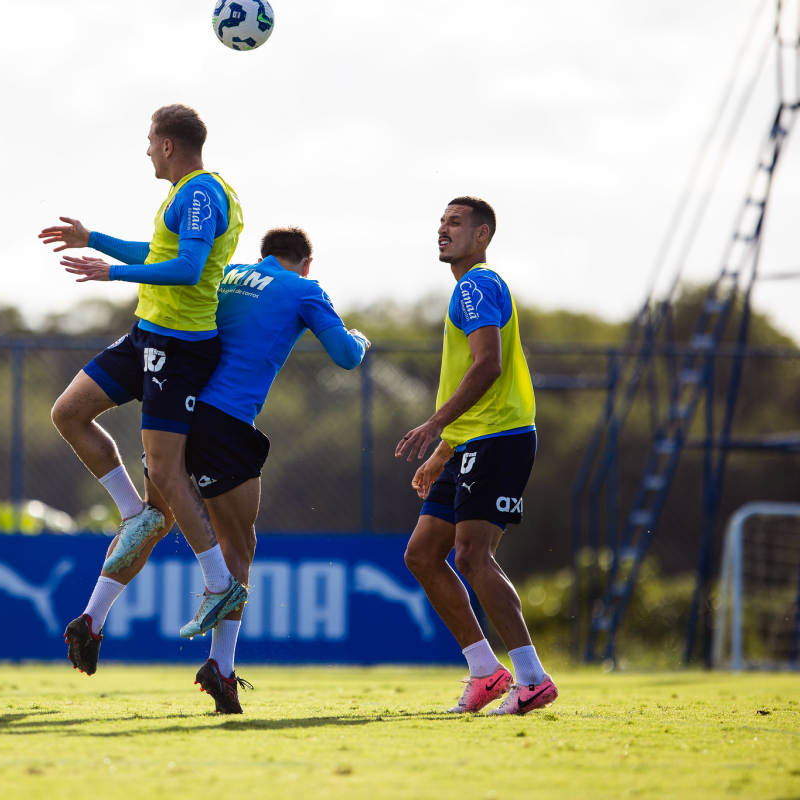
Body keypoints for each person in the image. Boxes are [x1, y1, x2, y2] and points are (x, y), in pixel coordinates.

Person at [65, 227, 370, 714]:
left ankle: (92, 617)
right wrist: (358, 337)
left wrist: (97, 241)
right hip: (225, 424)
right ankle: (221, 668)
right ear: (306, 264)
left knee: (154, 519)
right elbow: (345, 357)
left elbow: (157, 256)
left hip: (175, 416)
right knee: (239, 545)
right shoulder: (304, 289)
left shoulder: (226, 273)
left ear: (261, 256)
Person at [38, 104, 248, 670]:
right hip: (147, 336)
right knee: (69, 412)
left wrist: (112, 274)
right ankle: (136, 515)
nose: (147, 150)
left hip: (180, 348)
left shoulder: (202, 194)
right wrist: (95, 240)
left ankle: (217, 581)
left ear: (169, 144)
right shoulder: (183, 193)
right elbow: (159, 255)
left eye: (150, 141)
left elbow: (186, 267)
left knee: (166, 472)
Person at [395, 196, 557, 716]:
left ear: (483, 235)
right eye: (441, 222)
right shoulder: (468, 290)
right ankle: (487, 672)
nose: (443, 230)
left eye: (456, 223)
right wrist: (444, 450)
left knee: (471, 555)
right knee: (422, 554)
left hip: (501, 439)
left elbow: (488, 367)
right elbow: (481, 377)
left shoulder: (477, 285)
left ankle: (532, 678)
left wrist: (435, 423)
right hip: (471, 442)